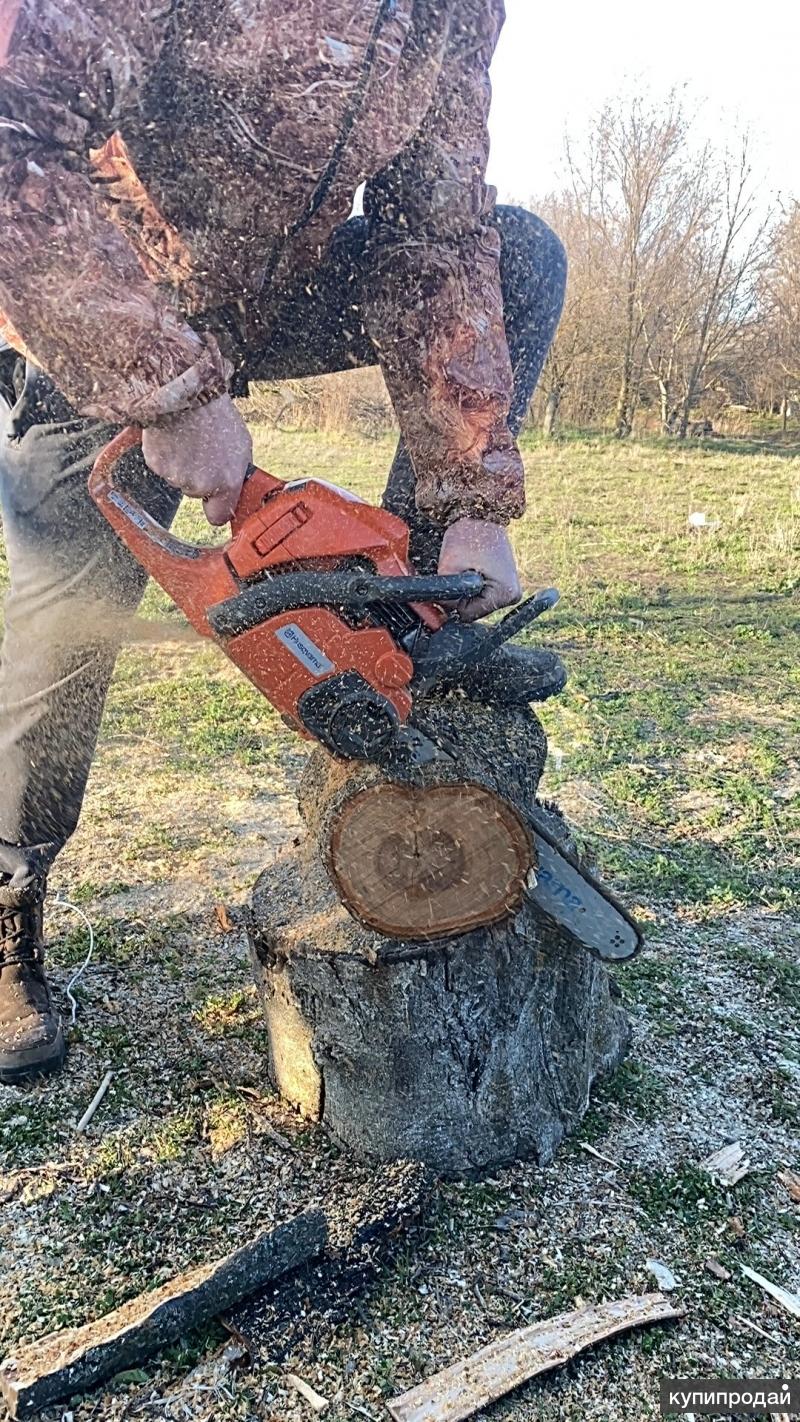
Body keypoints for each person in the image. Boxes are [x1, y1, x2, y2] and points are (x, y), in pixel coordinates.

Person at [0, 0, 567, 1083]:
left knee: (517, 253)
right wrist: (165, 390)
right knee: (71, 611)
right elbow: (11, 141)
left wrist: (470, 491)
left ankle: (407, 623)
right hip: (87, 284)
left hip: (263, 298)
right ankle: (3, 901)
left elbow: (434, 231)